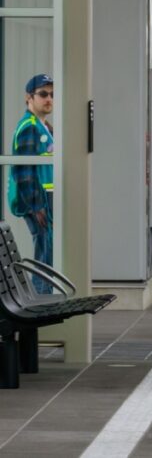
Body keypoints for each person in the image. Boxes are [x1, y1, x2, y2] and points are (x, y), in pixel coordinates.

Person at [6, 74, 55, 294]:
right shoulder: (29, 127)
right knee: (45, 251)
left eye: (52, 94)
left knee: (47, 249)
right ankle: (40, 300)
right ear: (29, 97)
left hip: (44, 198)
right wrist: (37, 207)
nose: (49, 99)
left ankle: (41, 297)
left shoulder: (44, 126)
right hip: (37, 201)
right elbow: (22, 171)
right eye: (43, 94)